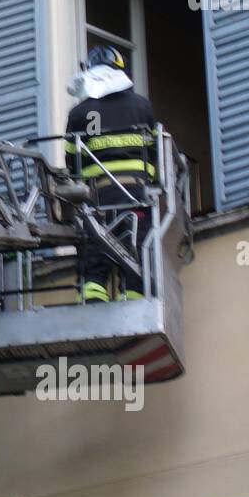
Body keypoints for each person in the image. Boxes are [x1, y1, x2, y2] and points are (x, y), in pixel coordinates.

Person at [64, 45, 156, 303]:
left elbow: (72, 160)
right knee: (137, 242)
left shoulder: (79, 113)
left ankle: (94, 293)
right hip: (135, 192)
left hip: (98, 196)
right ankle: (135, 293)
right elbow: (155, 150)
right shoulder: (142, 107)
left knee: (95, 242)